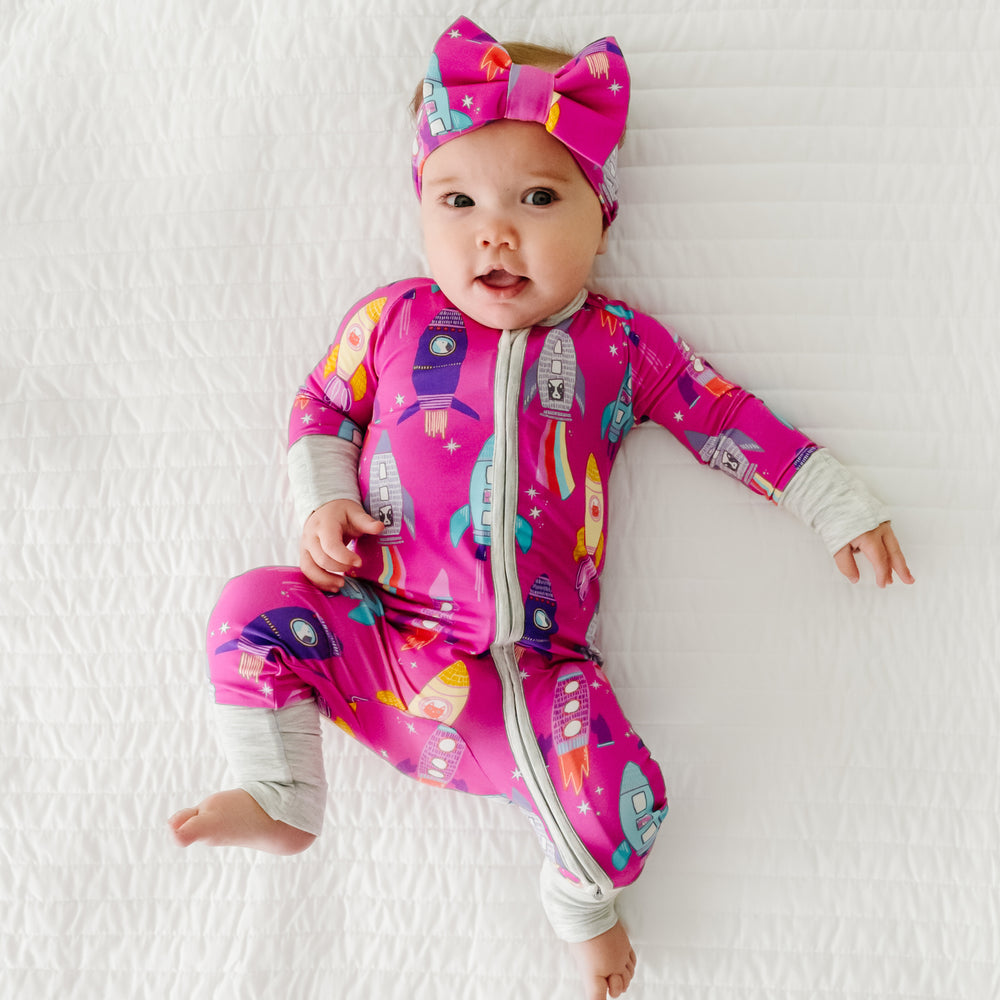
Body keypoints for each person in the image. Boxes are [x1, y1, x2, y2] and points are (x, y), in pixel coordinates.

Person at [168, 16, 913, 1000]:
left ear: (602, 215)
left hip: (538, 679)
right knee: (249, 605)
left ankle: (581, 905)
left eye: (537, 197)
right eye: (459, 199)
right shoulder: (389, 321)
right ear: (422, 209)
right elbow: (320, 408)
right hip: (386, 645)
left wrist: (829, 498)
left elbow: (720, 416)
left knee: (628, 802)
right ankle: (283, 792)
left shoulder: (619, 343)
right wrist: (324, 500)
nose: (496, 230)